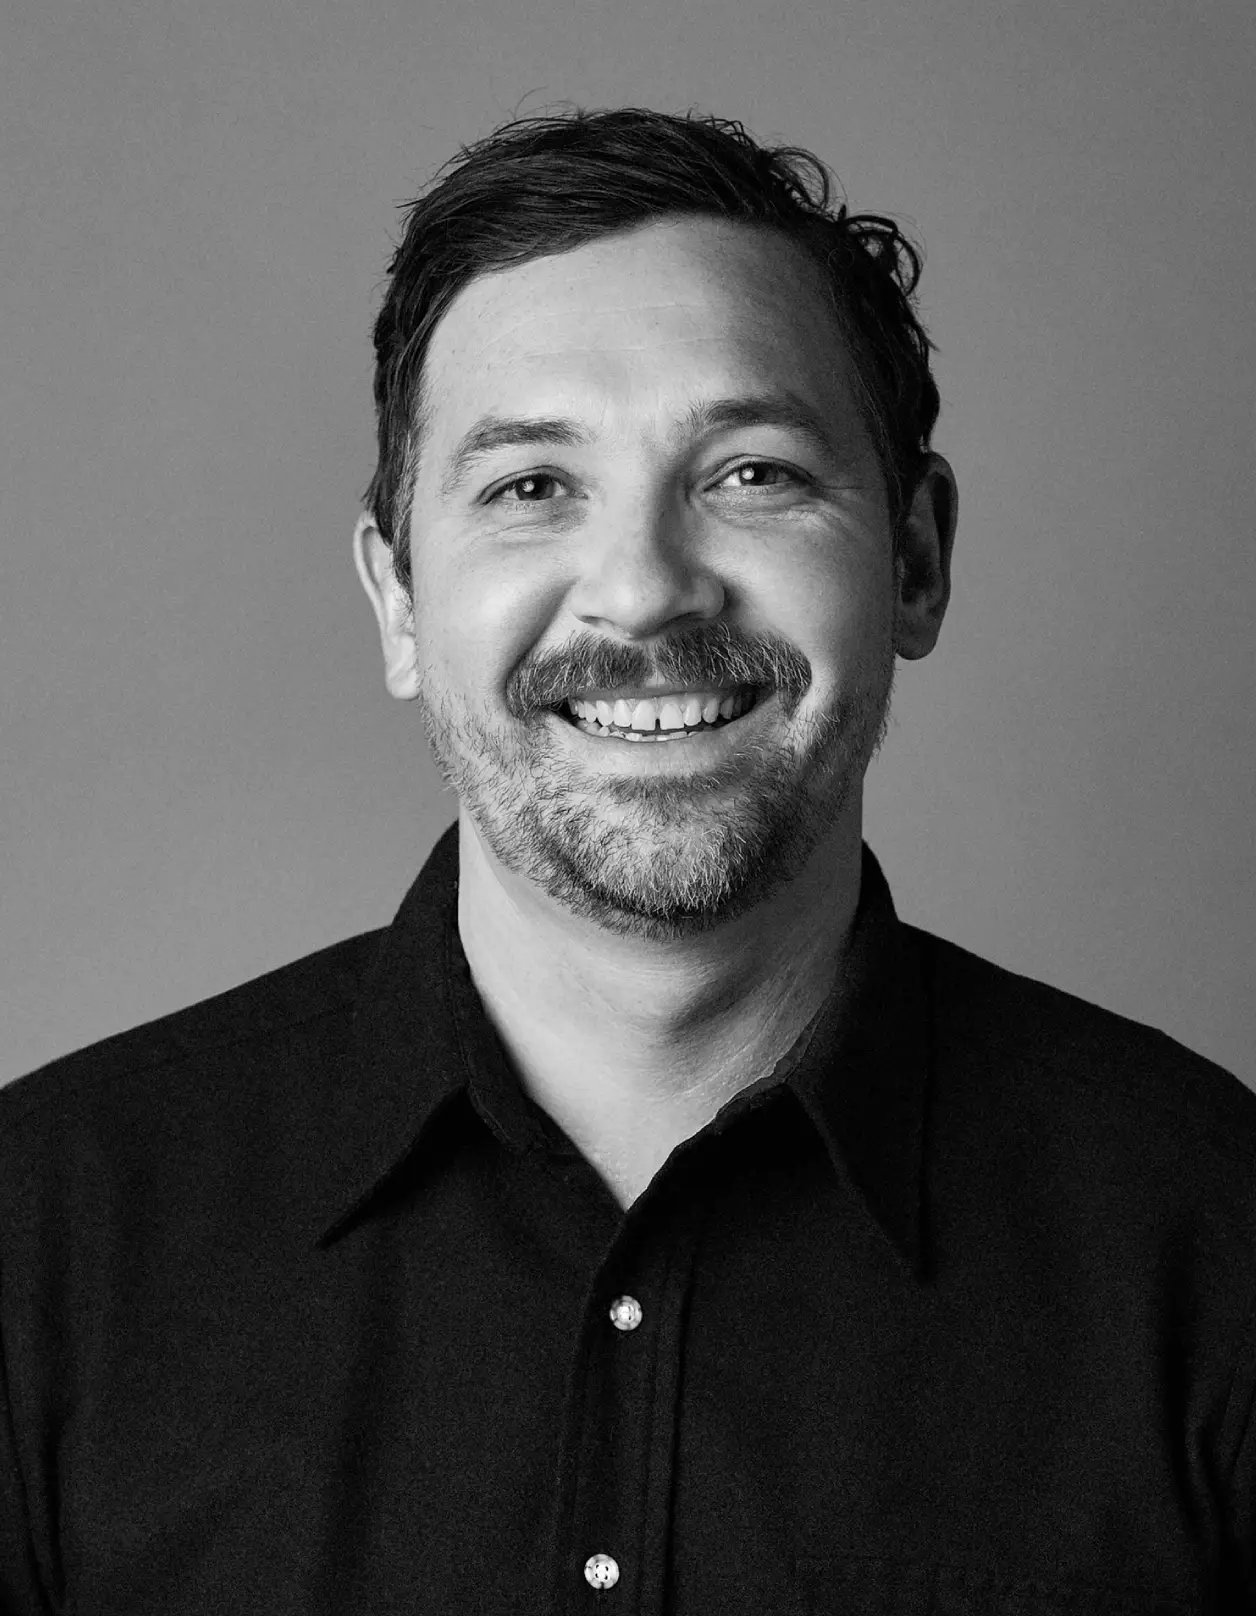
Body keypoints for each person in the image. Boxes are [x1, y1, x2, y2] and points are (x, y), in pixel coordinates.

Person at [2, 106, 1252, 1615]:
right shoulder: (43, 1236)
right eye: (531, 486)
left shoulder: (1214, 1236)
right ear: (399, 601)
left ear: (916, 561)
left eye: (753, 474)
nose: (647, 592)